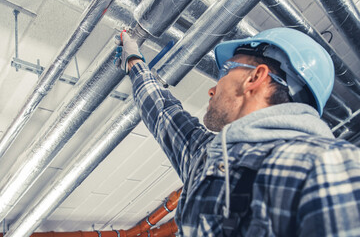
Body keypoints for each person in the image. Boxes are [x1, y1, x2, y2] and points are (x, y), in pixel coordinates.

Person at [115, 28, 360, 236]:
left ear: (255, 77)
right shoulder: (207, 159)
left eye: (226, 71)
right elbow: (162, 112)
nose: (212, 89)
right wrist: (133, 59)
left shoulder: (330, 165)